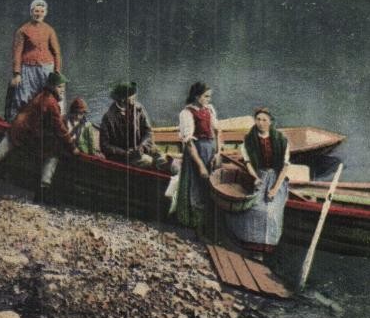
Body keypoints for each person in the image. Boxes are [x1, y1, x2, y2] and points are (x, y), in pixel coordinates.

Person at [0, 72, 79, 197]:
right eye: (60, 87)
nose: (62, 90)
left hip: (16, 129)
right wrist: (72, 147)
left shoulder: (41, 94)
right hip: (25, 135)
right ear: (52, 87)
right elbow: (60, 128)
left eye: (63, 87)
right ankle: (43, 190)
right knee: (54, 153)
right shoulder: (51, 103)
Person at [225, 107, 290, 258]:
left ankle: (267, 248)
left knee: (271, 212)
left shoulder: (281, 140)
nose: (261, 123)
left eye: (264, 120)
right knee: (254, 209)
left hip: (276, 179)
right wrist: (255, 178)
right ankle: (251, 247)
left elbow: (285, 167)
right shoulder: (249, 140)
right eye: (258, 119)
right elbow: (248, 163)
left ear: (270, 122)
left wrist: (274, 189)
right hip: (258, 176)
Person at [5, 0, 62, 122]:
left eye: (41, 11)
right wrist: (17, 74)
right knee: (24, 98)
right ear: (31, 12)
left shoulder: (49, 30)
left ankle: (48, 125)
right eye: (36, 11)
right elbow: (17, 53)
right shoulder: (22, 30)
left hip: (46, 69)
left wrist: (57, 72)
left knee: (48, 97)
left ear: (45, 13)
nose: (38, 14)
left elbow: (56, 52)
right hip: (28, 69)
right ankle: (21, 125)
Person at [175, 81, 220, 229]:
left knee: (211, 185)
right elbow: (189, 143)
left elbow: (217, 132)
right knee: (196, 187)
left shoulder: (210, 109)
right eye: (206, 96)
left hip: (211, 150)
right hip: (197, 152)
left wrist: (218, 153)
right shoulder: (186, 113)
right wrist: (200, 165)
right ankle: (195, 223)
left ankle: (209, 220)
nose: (209, 99)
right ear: (196, 96)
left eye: (209, 96)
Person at [99, 81, 168, 169]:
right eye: (132, 96)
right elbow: (104, 145)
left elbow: (148, 132)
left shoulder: (139, 109)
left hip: (140, 149)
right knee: (148, 161)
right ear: (123, 99)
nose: (135, 98)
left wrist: (142, 147)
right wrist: (124, 153)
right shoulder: (108, 117)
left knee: (163, 159)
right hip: (122, 156)